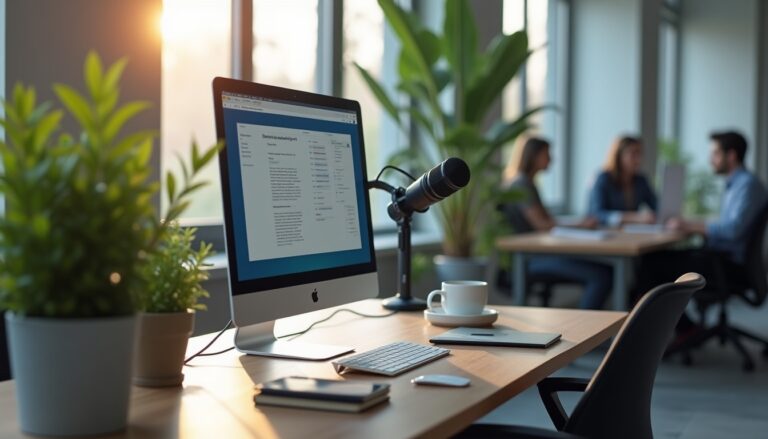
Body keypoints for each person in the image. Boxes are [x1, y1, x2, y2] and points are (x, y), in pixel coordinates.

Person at [636, 131, 768, 336]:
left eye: (715, 153)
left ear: (731, 155)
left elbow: (732, 230)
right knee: (655, 260)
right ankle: (683, 328)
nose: (710, 160)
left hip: (729, 265)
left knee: (652, 265)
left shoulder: (747, 185)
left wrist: (689, 227)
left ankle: (680, 330)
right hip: (724, 259)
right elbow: (727, 224)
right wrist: (692, 223)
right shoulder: (738, 183)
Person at [500, 137, 612, 310]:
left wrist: (578, 224)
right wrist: (580, 226)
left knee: (606, 271)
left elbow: (548, 222)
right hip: (529, 259)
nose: (551, 159)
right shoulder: (521, 185)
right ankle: (583, 327)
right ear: (534, 156)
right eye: (547, 154)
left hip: (540, 254)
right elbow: (542, 225)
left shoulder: (528, 183)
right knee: (601, 276)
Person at [588, 136, 657, 226]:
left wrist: (670, 219)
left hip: (629, 233)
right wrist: (633, 218)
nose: (638, 159)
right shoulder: (604, 179)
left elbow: (657, 206)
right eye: (633, 154)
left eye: (639, 154)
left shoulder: (641, 181)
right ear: (619, 156)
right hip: (605, 233)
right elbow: (596, 214)